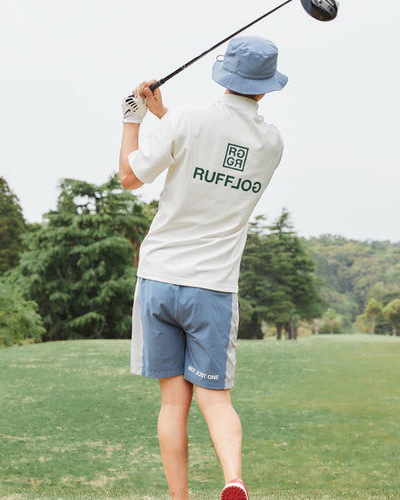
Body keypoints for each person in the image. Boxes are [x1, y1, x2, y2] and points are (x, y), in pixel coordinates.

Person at [119, 35, 288, 500]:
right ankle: (233, 480)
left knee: (174, 402)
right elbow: (213, 149)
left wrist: (134, 118)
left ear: (225, 76)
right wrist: (162, 115)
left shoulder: (189, 119)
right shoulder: (272, 143)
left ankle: (180, 498)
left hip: (158, 280)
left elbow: (130, 177)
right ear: (265, 88)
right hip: (212, 288)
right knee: (216, 399)